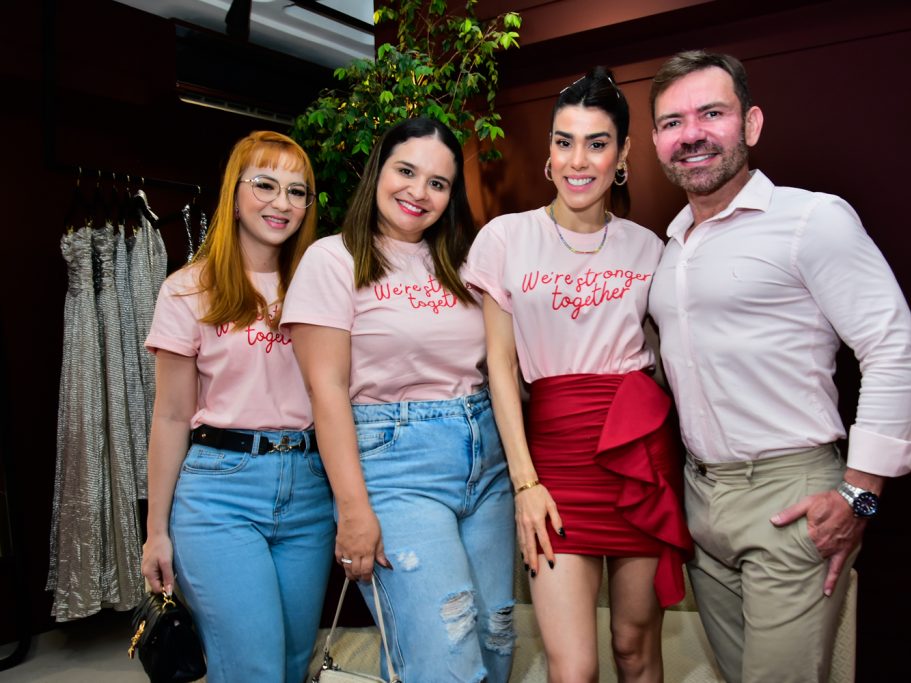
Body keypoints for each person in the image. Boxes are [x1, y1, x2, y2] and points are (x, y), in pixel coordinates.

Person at [647, 50, 911, 683]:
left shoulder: (811, 219)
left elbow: (894, 350)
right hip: (703, 499)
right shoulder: (670, 247)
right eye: (672, 122)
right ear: (655, 141)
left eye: (711, 113)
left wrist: (860, 493)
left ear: (750, 125)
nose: (691, 133)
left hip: (790, 496)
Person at [467, 67, 693, 682]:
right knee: (573, 668)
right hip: (553, 462)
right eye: (564, 141)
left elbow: (675, 355)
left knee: (634, 647)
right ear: (548, 150)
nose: (578, 160)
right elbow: (501, 370)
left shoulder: (650, 247)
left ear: (622, 155)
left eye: (597, 143)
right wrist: (524, 483)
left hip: (638, 455)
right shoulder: (506, 238)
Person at [281, 117, 516, 683]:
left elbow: (499, 362)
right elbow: (326, 392)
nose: (419, 192)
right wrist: (355, 510)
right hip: (395, 467)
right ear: (376, 172)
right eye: (406, 171)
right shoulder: (331, 260)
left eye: (438, 183)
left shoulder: (464, 261)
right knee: (445, 655)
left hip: (485, 463)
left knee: (495, 637)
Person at [141, 131, 333, 683]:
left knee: (295, 664)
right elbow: (172, 416)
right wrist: (157, 532)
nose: (282, 203)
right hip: (220, 493)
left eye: (298, 192)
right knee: (253, 668)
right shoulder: (188, 290)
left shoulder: (322, 285)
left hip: (310, 489)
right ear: (234, 193)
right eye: (266, 185)